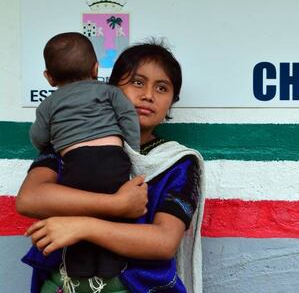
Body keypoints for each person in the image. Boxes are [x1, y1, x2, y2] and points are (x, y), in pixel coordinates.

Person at [16, 41, 204, 293]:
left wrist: (82, 227)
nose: (148, 95)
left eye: (162, 88)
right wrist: (116, 204)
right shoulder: (68, 144)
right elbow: (29, 199)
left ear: (171, 101)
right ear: (110, 88)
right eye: (137, 82)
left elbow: (163, 242)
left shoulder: (177, 162)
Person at [29, 32, 142, 281]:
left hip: (76, 164)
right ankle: (112, 268)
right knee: (113, 215)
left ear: (49, 77)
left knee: (78, 216)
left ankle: (79, 269)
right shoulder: (109, 92)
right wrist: (132, 149)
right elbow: (127, 117)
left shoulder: (48, 104)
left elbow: (39, 137)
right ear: (95, 68)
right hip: (113, 161)